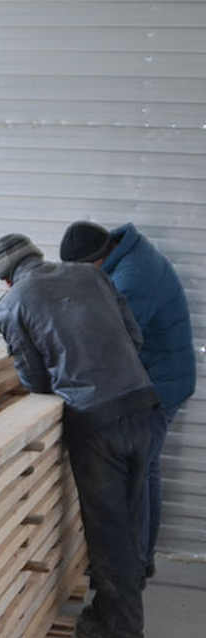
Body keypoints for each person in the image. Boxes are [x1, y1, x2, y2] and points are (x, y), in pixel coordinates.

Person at [0, 233, 167, 638]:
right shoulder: (90, 275)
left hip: (98, 419)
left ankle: (122, 629)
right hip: (145, 405)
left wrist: (69, 380)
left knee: (108, 527)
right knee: (132, 514)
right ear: (37, 254)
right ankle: (119, 605)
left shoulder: (12, 303)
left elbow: (34, 377)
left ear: (6, 279)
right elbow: (134, 336)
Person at [59, 221, 197, 578]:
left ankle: (134, 566)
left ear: (95, 261)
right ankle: (141, 560)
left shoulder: (133, 279)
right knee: (146, 470)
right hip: (158, 376)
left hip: (159, 386)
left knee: (139, 475)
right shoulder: (123, 258)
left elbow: (111, 343)